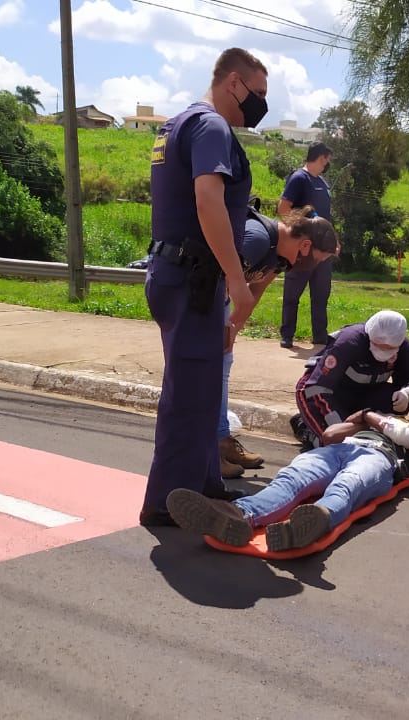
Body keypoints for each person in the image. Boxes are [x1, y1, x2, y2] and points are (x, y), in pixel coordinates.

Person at [138, 48, 270, 528]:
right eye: (257, 94)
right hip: (191, 276)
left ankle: (204, 486)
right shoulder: (211, 127)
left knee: (199, 387)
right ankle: (168, 502)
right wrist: (238, 281)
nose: (260, 104)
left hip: (183, 277)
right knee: (188, 395)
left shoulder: (177, 125)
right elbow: (208, 200)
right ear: (233, 82)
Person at [166, 410, 409, 551]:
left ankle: (313, 521)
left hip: (379, 457)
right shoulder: (366, 421)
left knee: (346, 486)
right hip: (337, 449)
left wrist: (383, 422)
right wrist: (365, 418)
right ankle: (237, 516)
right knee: (290, 480)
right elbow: (330, 435)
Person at [218, 204, 341, 478]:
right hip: (203, 301)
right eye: (317, 260)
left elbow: (254, 292)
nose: (311, 266)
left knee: (222, 365)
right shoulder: (257, 239)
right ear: (306, 245)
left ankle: (221, 441)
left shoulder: (280, 257)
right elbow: (219, 279)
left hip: (220, 306)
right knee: (208, 373)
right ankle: (207, 450)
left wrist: (233, 331)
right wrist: (219, 327)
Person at [292, 310, 409, 449]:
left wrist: (407, 394)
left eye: (390, 348)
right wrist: (340, 427)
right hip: (322, 392)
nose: (383, 351)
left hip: (364, 392)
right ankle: (305, 429)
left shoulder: (404, 347)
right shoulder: (349, 342)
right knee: (335, 443)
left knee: (379, 436)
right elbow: (318, 387)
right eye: (378, 345)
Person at [278, 142, 335, 348]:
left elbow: (326, 217)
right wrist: (300, 232)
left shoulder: (323, 182)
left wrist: (332, 243)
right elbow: (283, 209)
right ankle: (287, 335)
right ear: (322, 157)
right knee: (293, 292)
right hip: (302, 248)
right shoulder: (298, 178)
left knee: (321, 294)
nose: (328, 163)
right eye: (327, 159)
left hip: (322, 250)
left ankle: (320, 336)